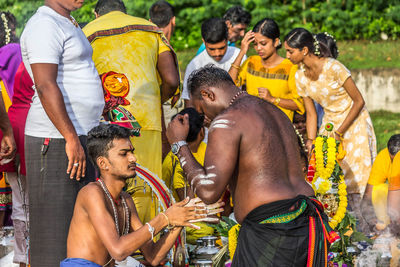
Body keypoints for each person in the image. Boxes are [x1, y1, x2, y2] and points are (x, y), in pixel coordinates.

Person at [167, 65, 337, 266]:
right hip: (307, 225)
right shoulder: (275, 112)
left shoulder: (227, 121)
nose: (205, 120)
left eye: (202, 110)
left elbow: (208, 190)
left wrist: (179, 144)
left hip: (271, 229)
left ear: (207, 94)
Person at [62, 123, 221, 267]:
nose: (133, 158)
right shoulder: (91, 193)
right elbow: (118, 250)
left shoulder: (126, 200)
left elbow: (153, 256)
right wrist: (165, 218)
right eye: (124, 154)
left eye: (132, 152)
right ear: (103, 163)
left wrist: (180, 220)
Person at [20, 0, 105, 265]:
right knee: (55, 229)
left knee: (79, 223)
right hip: (56, 139)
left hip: (78, 135)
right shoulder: (44, 25)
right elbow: (45, 85)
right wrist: (70, 137)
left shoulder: (67, 21)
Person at [83, 0, 180, 224]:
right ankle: (147, 247)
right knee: (147, 188)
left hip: (103, 127)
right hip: (147, 122)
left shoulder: (87, 32)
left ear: (97, 14)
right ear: (124, 11)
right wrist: (157, 101)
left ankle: (117, 246)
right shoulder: (150, 29)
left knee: (110, 188)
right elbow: (171, 79)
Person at [284, 28, 377, 231]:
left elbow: (359, 101)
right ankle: (341, 230)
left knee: (357, 179)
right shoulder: (300, 76)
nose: (287, 56)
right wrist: (310, 140)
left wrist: (340, 132)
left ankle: (367, 229)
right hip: (329, 125)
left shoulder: (334, 68)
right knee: (330, 179)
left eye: (290, 51)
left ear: (305, 50)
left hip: (354, 123)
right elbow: (311, 113)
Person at [228, 18, 304, 122]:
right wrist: (242, 52)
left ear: (276, 42)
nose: (258, 48)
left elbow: (299, 104)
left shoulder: (290, 68)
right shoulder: (251, 62)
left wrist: (272, 99)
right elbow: (229, 84)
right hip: (251, 124)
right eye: (255, 44)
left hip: (280, 128)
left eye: (263, 43)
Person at [162, 108, 215, 244]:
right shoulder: (176, 161)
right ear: (202, 133)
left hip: (210, 218)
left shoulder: (206, 149)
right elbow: (189, 206)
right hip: (190, 225)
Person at [182, 18, 245, 106]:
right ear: (203, 41)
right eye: (212, 49)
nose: (217, 53)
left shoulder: (239, 56)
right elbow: (188, 100)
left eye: (221, 48)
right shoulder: (195, 65)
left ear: (227, 40)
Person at [361, 134, 400, 232]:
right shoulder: (384, 156)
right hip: (395, 201)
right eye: (392, 159)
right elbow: (369, 194)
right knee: (379, 190)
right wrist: (371, 219)